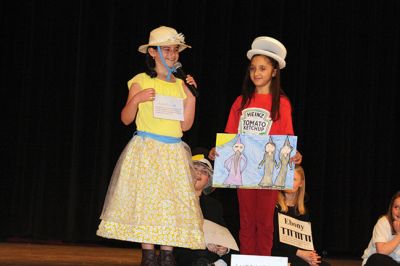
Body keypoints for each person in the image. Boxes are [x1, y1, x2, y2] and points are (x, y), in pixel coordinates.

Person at [96, 26, 205, 266]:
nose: (172, 55)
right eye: (166, 50)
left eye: (175, 50)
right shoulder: (141, 81)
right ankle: (148, 255)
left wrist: (192, 96)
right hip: (147, 149)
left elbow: (185, 125)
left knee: (170, 202)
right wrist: (136, 99)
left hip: (173, 150)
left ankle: (167, 254)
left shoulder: (180, 84)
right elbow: (125, 118)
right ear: (153, 53)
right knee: (147, 201)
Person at [209, 36, 302, 255]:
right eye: (253, 68)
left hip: (267, 172)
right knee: (247, 221)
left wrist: (295, 154)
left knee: (266, 223)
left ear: (274, 71)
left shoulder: (282, 103)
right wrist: (218, 151)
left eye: (262, 68)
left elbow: (286, 136)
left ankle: (263, 261)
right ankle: (248, 260)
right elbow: (230, 135)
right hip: (244, 170)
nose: (256, 73)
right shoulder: (240, 102)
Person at [175, 149, 237, 266]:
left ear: (208, 179)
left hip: (210, 255)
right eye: (195, 169)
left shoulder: (214, 205)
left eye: (204, 172)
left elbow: (224, 234)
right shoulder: (175, 200)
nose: (198, 173)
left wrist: (223, 247)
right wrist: (205, 242)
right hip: (184, 252)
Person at [272, 165, 330, 266]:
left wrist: (311, 256)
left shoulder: (302, 211)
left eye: (293, 179)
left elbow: (305, 240)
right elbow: (275, 241)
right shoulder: (274, 206)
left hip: (298, 254)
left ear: (301, 183)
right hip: (279, 252)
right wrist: (300, 253)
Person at [361, 191, 400, 265]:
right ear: (391, 208)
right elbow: (382, 252)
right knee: (377, 259)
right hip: (380, 262)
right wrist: (399, 235)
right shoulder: (383, 222)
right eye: (396, 207)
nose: (399, 212)